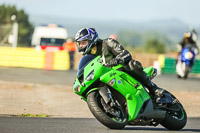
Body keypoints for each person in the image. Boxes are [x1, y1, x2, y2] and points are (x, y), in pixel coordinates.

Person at [75, 28, 166, 102]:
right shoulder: (89, 57)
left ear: (91, 39)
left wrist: (117, 60)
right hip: (106, 77)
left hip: (121, 70)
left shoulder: (107, 43)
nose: (81, 46)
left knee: (132, 64)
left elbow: (126, 54)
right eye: (79, 44)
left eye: (83, 43)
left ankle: (153, 88)